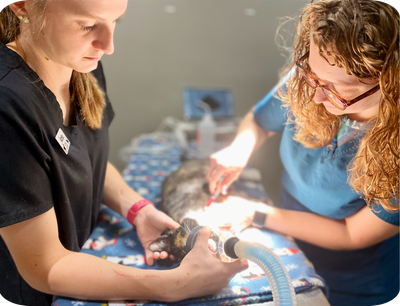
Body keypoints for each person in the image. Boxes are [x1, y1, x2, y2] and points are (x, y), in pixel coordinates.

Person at [0, 0, 248, 305]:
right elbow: (45, 265)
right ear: (22, 6)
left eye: (116, 21)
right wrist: (175, 284)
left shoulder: (81, 65)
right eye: (87, 25)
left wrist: (136, 208)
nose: (108, 45)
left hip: (84, 250)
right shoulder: (8, 105)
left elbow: (84, 162)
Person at [206, 0, 399, 305]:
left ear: (388, 83)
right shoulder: (313, 79)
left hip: (355, 282)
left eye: (337, 91)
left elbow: (351, 234)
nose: (317, 95)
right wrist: (238, 150)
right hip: (290, 244)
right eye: (312, 75)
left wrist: (257, 213)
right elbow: (258, 122)